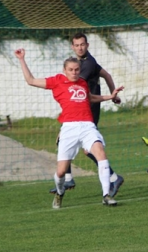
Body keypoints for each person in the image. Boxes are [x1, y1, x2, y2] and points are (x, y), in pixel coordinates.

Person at [15, 49, 124, 208]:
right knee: (61, 172)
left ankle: (106, 195)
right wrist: (21, 59)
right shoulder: (56, 81)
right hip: (69, 128)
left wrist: (110, 96)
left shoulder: (82, 82)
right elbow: (30, 80)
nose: (74, 72)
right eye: (71, 70)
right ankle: (59, 193)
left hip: (87, 125)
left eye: (77, 70)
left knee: (100, 152)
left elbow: (90, 98)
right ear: (64, 70)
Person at [52, 33, 125, 196]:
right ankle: (112, 177)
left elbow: (73, 90)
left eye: (82, 44)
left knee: (73, 143)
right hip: (85, 107)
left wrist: (64, 124)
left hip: (87, 109)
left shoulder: (86, 65)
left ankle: (70, 178)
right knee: (88, 149)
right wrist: (114, 95)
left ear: (87, 45)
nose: (80, 47)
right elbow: (107, 74)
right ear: (72, 46)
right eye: (77, 45)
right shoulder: (89, 61)